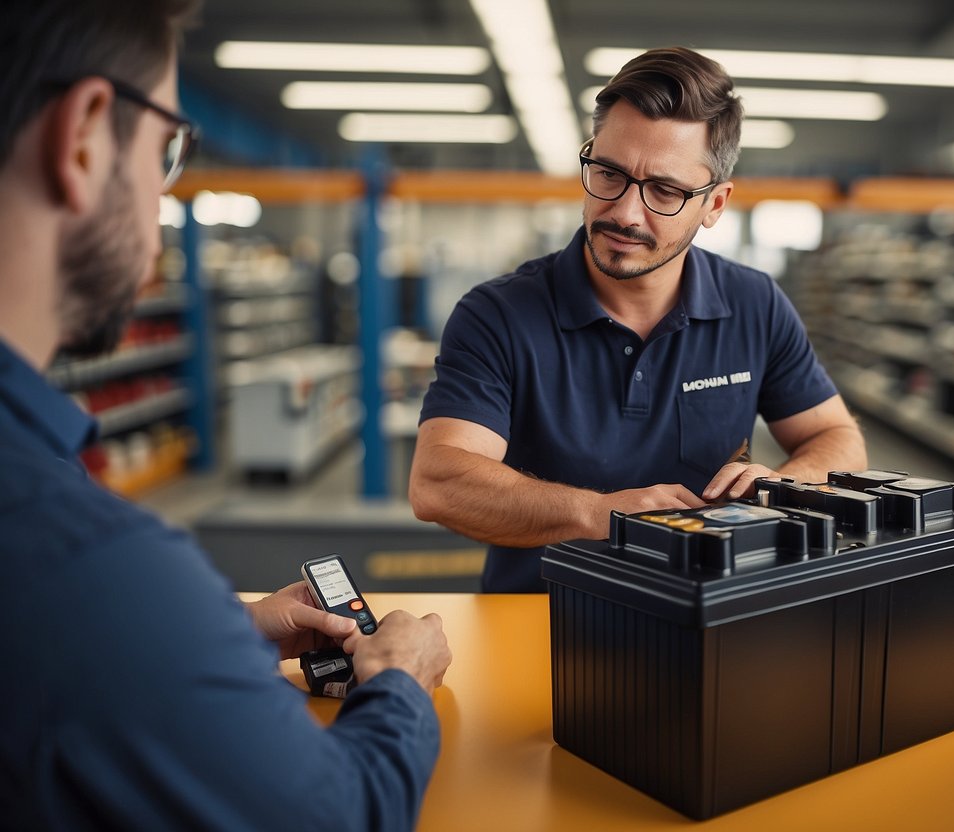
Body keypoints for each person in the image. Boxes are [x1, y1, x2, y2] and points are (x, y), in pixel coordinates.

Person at [0, 2, 451, 828]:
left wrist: (210, 636)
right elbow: (337, 815)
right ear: (86, 137)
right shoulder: (79, 559)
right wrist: (399, 679)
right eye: (168, 148)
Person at [410, 47, 867, 593]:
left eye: (665, 191)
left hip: (712, 617)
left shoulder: (754, 304)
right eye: (609, 173)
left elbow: (836, 437)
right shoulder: (498, 315)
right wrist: (599, 513)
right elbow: (439, 482)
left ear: (715, 204)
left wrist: (786, 484)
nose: (626, 212)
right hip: (541, 618)